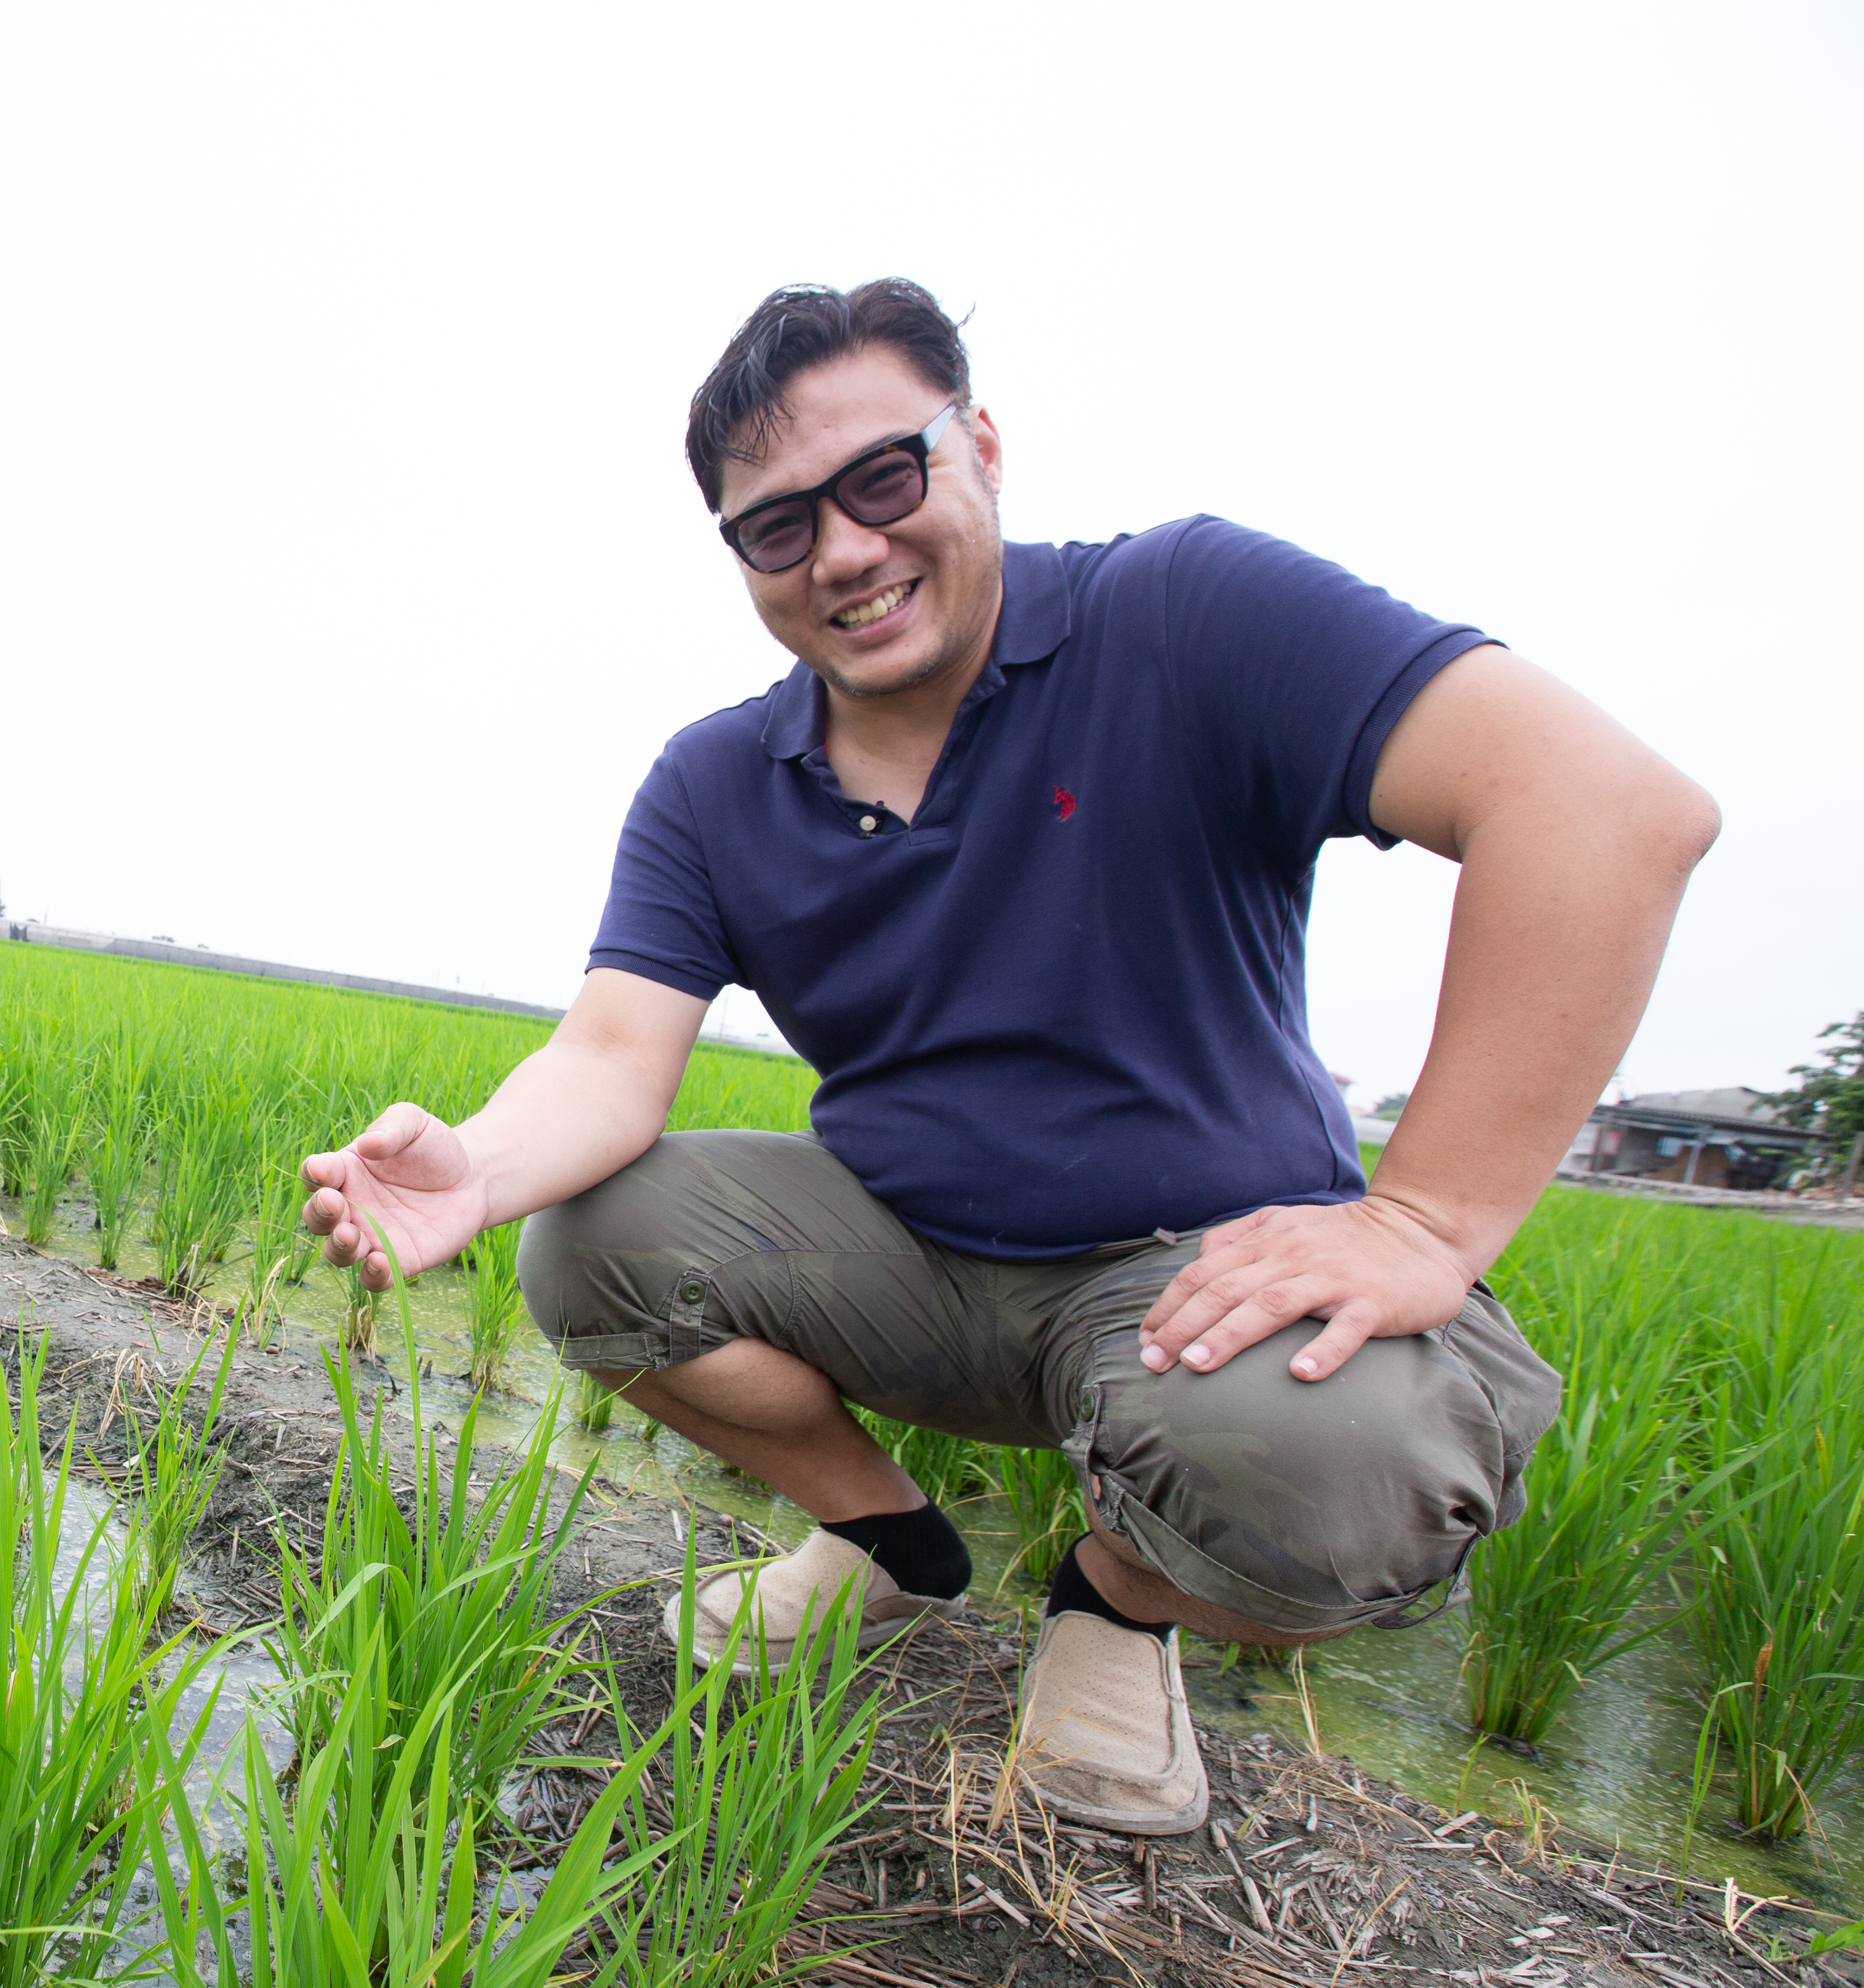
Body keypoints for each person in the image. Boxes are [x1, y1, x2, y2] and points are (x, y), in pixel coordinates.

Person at [298, 279, 1716, 1837]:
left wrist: (1424, 1220)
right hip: (911, 1262)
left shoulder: (1178, 617)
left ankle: (1113, 1601)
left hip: (1194, 1286)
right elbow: (616, 1054)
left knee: (1344, 1474)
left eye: (883, 481)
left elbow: (1599, 806)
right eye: (778, 527)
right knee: (594, 1244)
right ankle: (890, 1543)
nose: (843, 550)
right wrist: (480, 1172)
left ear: (977, 446)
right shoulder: (718, 782)